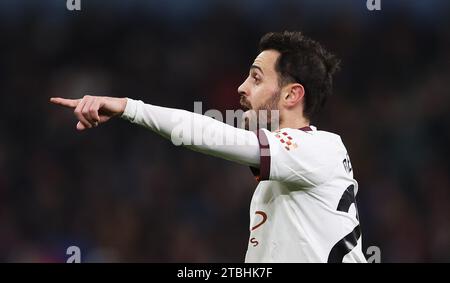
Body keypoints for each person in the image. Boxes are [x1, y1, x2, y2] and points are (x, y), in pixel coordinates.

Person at [50, 31, 366, 263]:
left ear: (291, 95)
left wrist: (129, 108)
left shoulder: (318, 147)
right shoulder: (293, 168)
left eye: (256, 79)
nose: (241, 88)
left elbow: (209, 134)